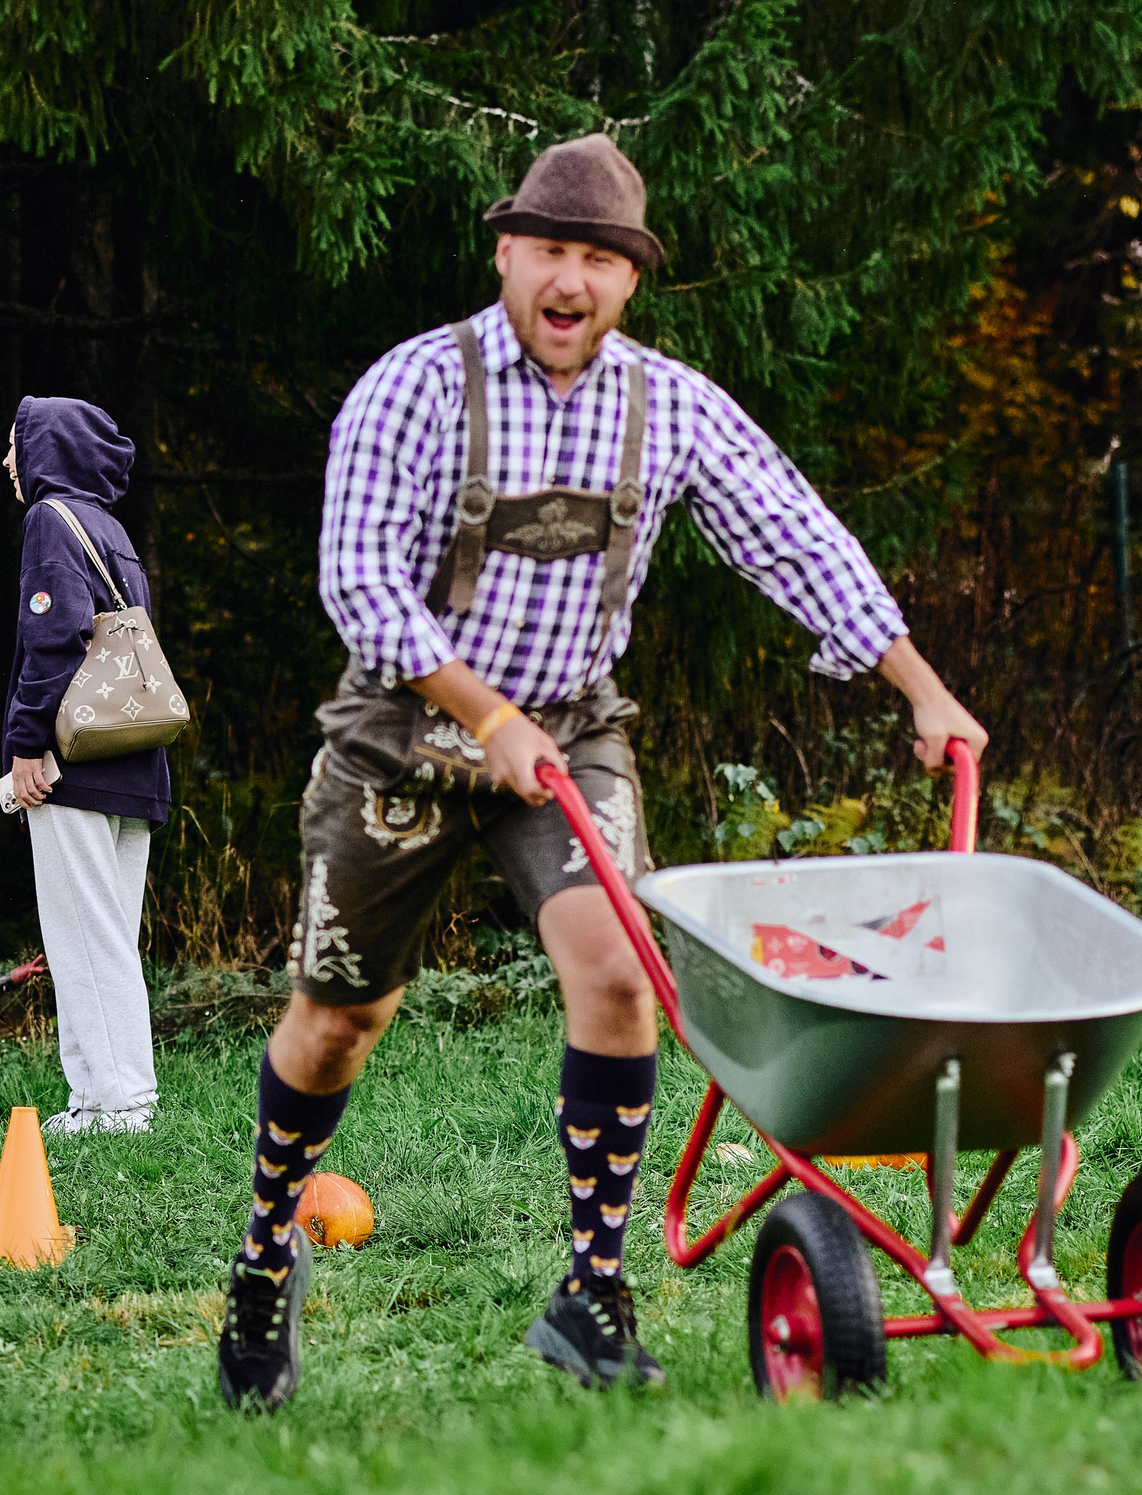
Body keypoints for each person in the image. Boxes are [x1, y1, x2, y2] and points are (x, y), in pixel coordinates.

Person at [214, 134, 989, 1408]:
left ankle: (591, 1289)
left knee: (623, 974)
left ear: (628, 279)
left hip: (569, 734)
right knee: (340, 1016)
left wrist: (918, 685)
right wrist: (479, 711)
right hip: (400, 740)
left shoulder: (666, 403)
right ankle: (258, 1262)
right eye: (551, 252)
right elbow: (356, 584)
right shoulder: (413, 388)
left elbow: (791, 532)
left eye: (600, 259)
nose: (570, 281)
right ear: (505, 252)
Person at [0, 397, 170, 1135]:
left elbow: (56, 635)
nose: (7, 461)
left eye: (15, 446)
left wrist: (28, 743)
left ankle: (122, 1104)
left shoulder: (49, 519)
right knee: (106, 937)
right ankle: (98, 1100)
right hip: (136, 761)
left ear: (46, 451)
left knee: (84, 937)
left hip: (77, 762)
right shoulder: (110, 526)